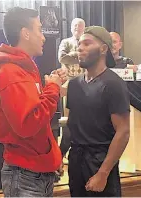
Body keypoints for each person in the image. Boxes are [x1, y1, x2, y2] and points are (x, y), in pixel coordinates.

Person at [0, 7, 66, 197]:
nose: (43, 37)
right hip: (25, 175)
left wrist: (53, 158)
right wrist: (53, 88)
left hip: (34, 173)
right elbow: (29, 124)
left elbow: (40, 126)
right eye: (39, 29)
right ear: (25, 33)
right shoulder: (11, 74)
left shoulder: (24, 71)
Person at [67, 26, 130, 197]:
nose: (80, 48)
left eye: (87, 43)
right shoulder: (74, 84)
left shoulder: (114, 84)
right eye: (79, 44)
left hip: (100, 161)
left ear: (103, 49)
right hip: (76, 161)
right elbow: (71, 123)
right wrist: (60, 154)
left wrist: (103, 173)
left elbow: (123, 131)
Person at [58, 18, 85, 165]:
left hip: (85, 83)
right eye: (75, 25)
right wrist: (77, 54)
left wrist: (74, 56)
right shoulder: (65, 42)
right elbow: (62, 58)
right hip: (69, 84)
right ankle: (61, 154)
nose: (78, 28)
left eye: (80, 26)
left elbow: (87, 60)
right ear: (70, 27)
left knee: (83, 120)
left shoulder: (86, 43)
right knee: (69, 121)